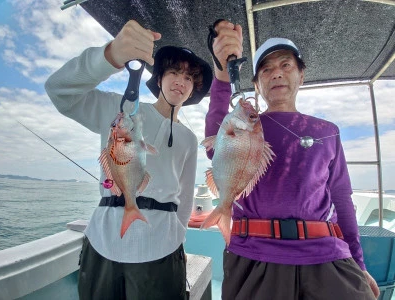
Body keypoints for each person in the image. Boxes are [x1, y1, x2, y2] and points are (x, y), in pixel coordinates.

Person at [205, 20, 380, 300]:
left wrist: (359, 264)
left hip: (327, 256)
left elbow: (342, 199)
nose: (276, 74)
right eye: (266, 69)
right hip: (255, 256)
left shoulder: (328, 131)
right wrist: (222, 70)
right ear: (257, 84)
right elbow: (216, 131)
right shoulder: (245, 126)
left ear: (301, 75)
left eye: (286, 65)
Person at [45, 20, 212, 300]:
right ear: (159, 79)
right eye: (173, 72)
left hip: (162, 248)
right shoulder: (120, 110)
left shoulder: (188, 139)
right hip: (102, 241)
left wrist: (175, 237)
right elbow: (59, 91)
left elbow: (184, 198)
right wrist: (109, 56)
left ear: (193, 89)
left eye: (189, 77)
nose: (181, 81)